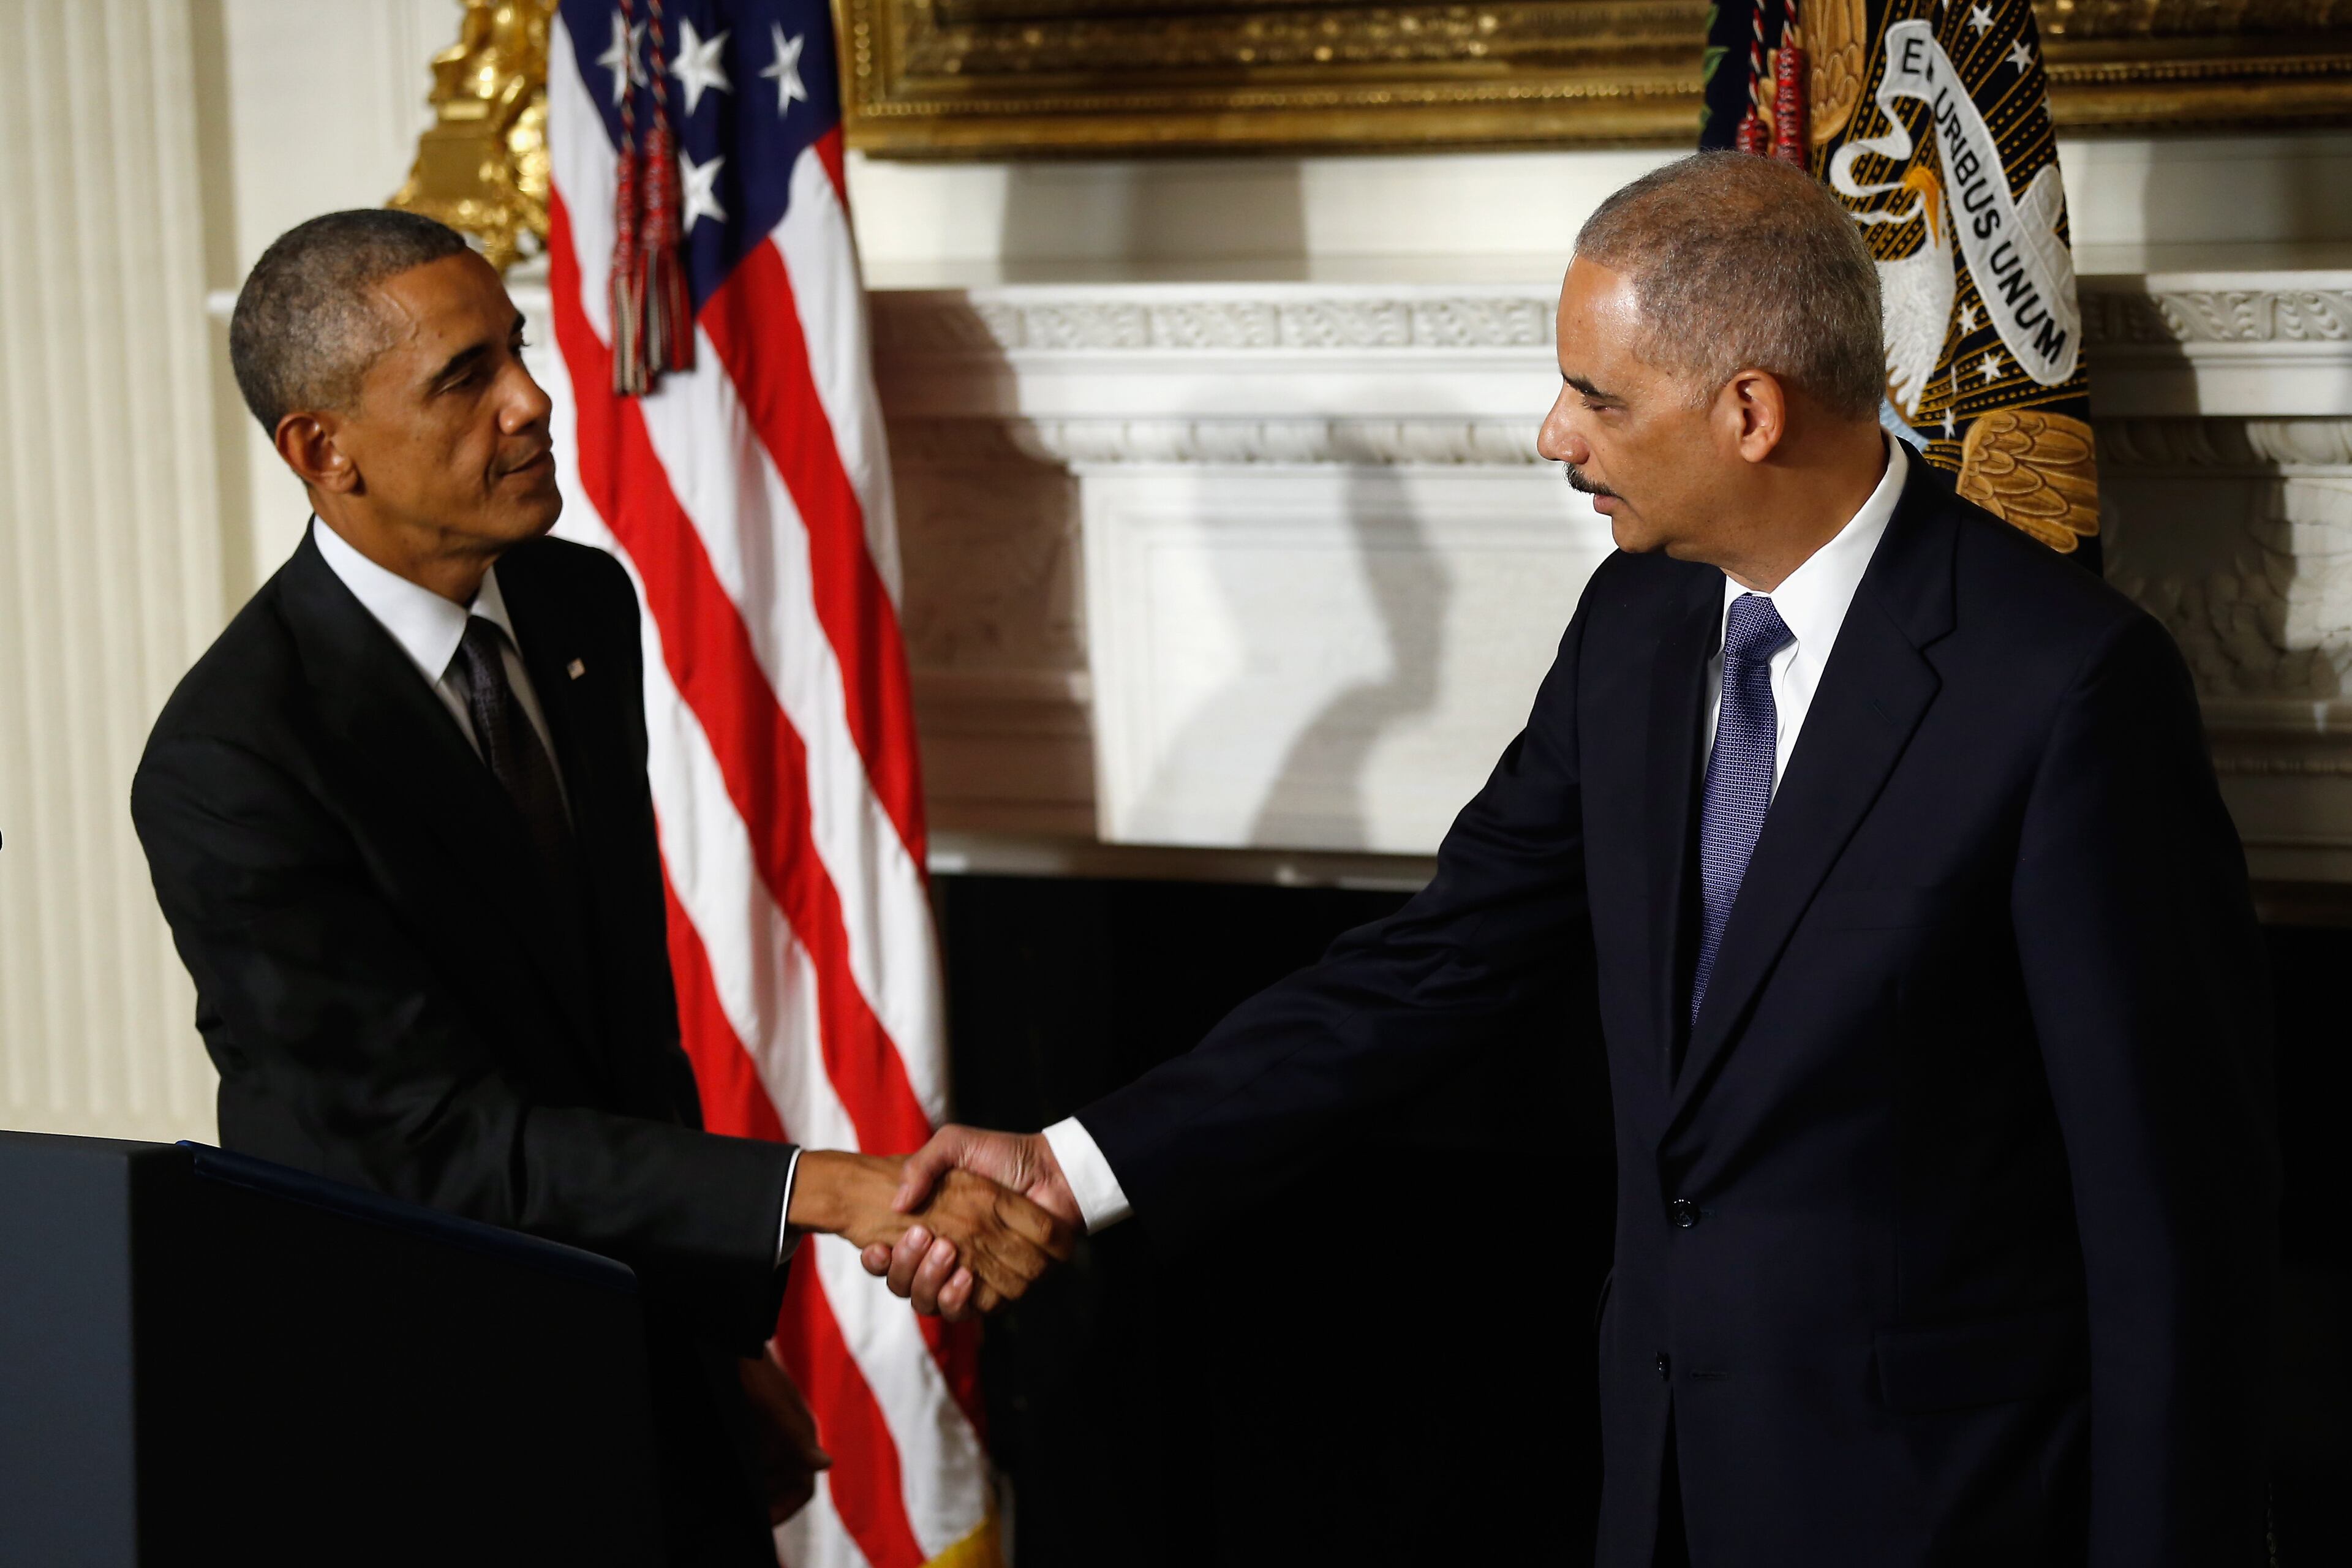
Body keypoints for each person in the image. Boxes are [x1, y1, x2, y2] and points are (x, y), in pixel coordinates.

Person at [869, 154, 2278, 1567]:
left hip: (1948, 1511)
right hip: (1660, 1485)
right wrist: (1071, 1165)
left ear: (1749, 410)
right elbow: (1431, 968)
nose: (1555, 434)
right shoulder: (1637, 628)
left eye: (1597, 396)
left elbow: (2174, 1226)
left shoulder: (2065, 689)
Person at [131, 209, 1068, 1567]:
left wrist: (710, 1337)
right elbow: (434, 1144)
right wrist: (831, 1189)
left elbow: (628, 1031)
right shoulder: (235, 759)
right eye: (465, 378)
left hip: (626, 1326)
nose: (532, 399)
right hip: (416, 1406)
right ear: (323, 452)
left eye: (516, 350)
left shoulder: (576, 607)